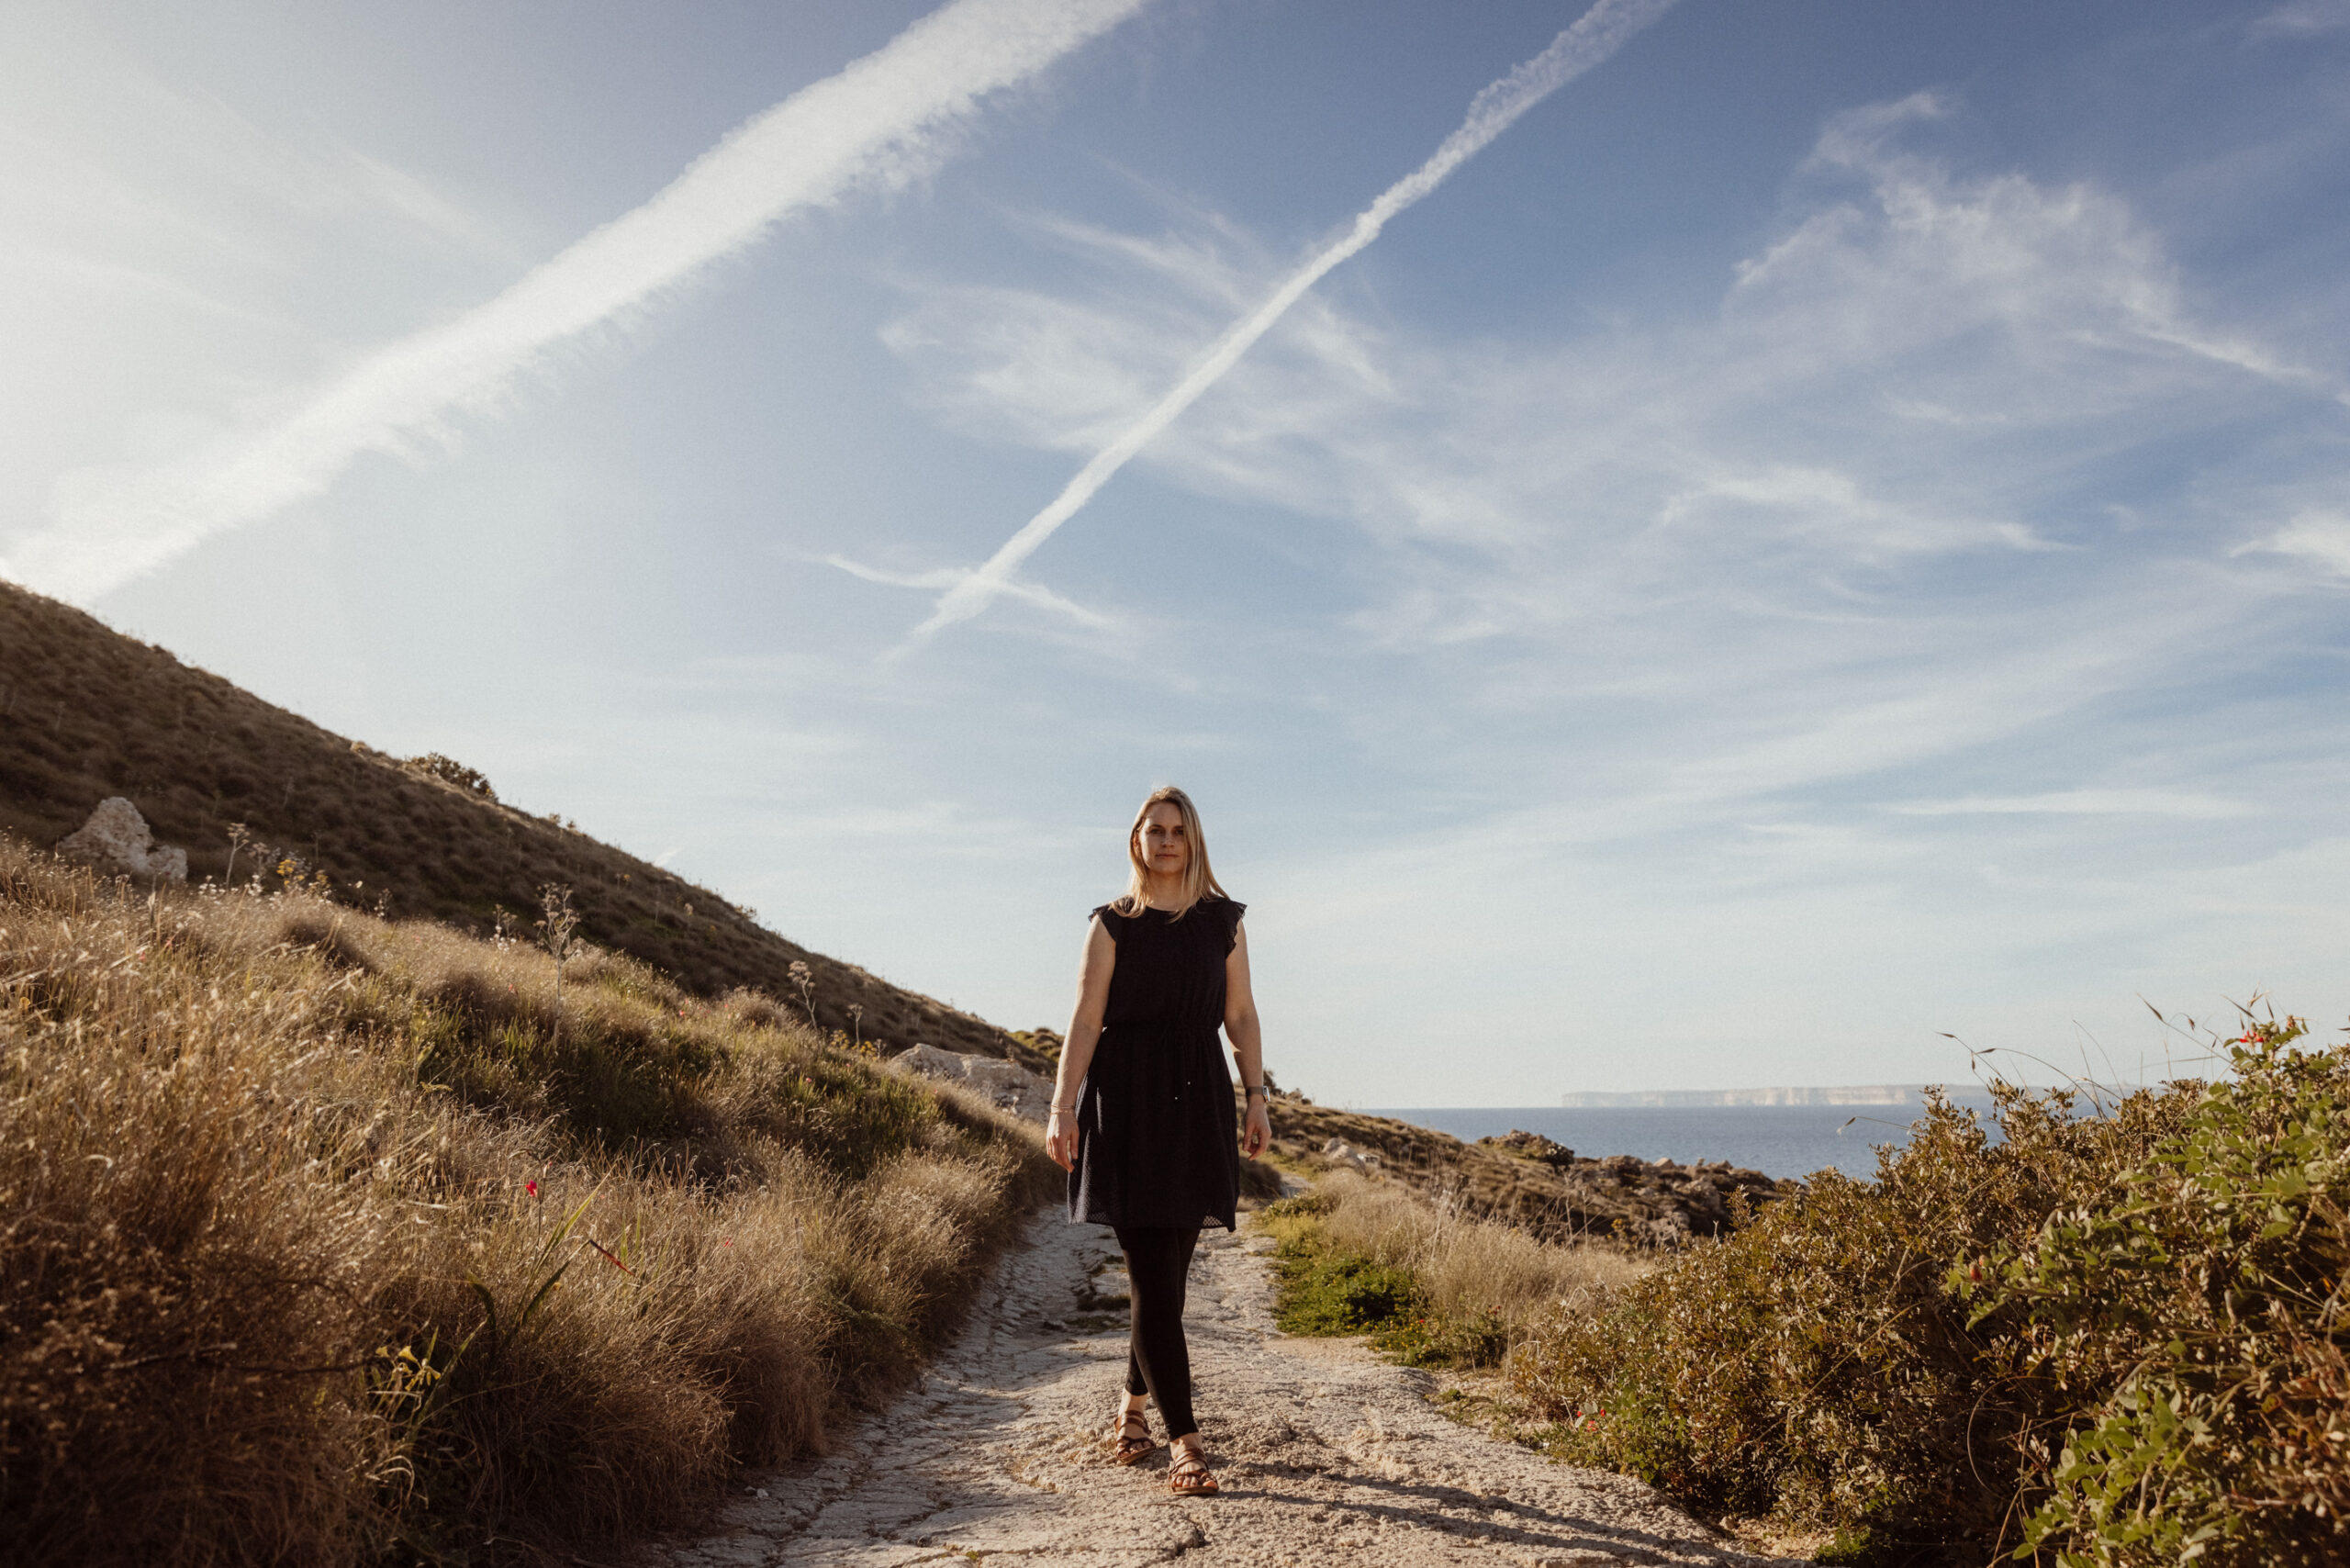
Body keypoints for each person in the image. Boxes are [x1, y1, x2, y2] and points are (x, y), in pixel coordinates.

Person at [1045, 785, 1271, 1497]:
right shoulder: (1111, 925)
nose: (1166, 840)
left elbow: (1240, 1014)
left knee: (1167, 1283)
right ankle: (1187, 1445)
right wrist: (1062, 1107)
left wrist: (1257, 1097)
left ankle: (1132, 1408)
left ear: (1193, 839)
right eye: (1154, 829)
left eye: (1177, 829)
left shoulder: (1222, 923)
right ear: (1136, 841)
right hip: (1128, 1104)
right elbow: (1084, 1023)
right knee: (1151, 1275)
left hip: (1199, 1099)